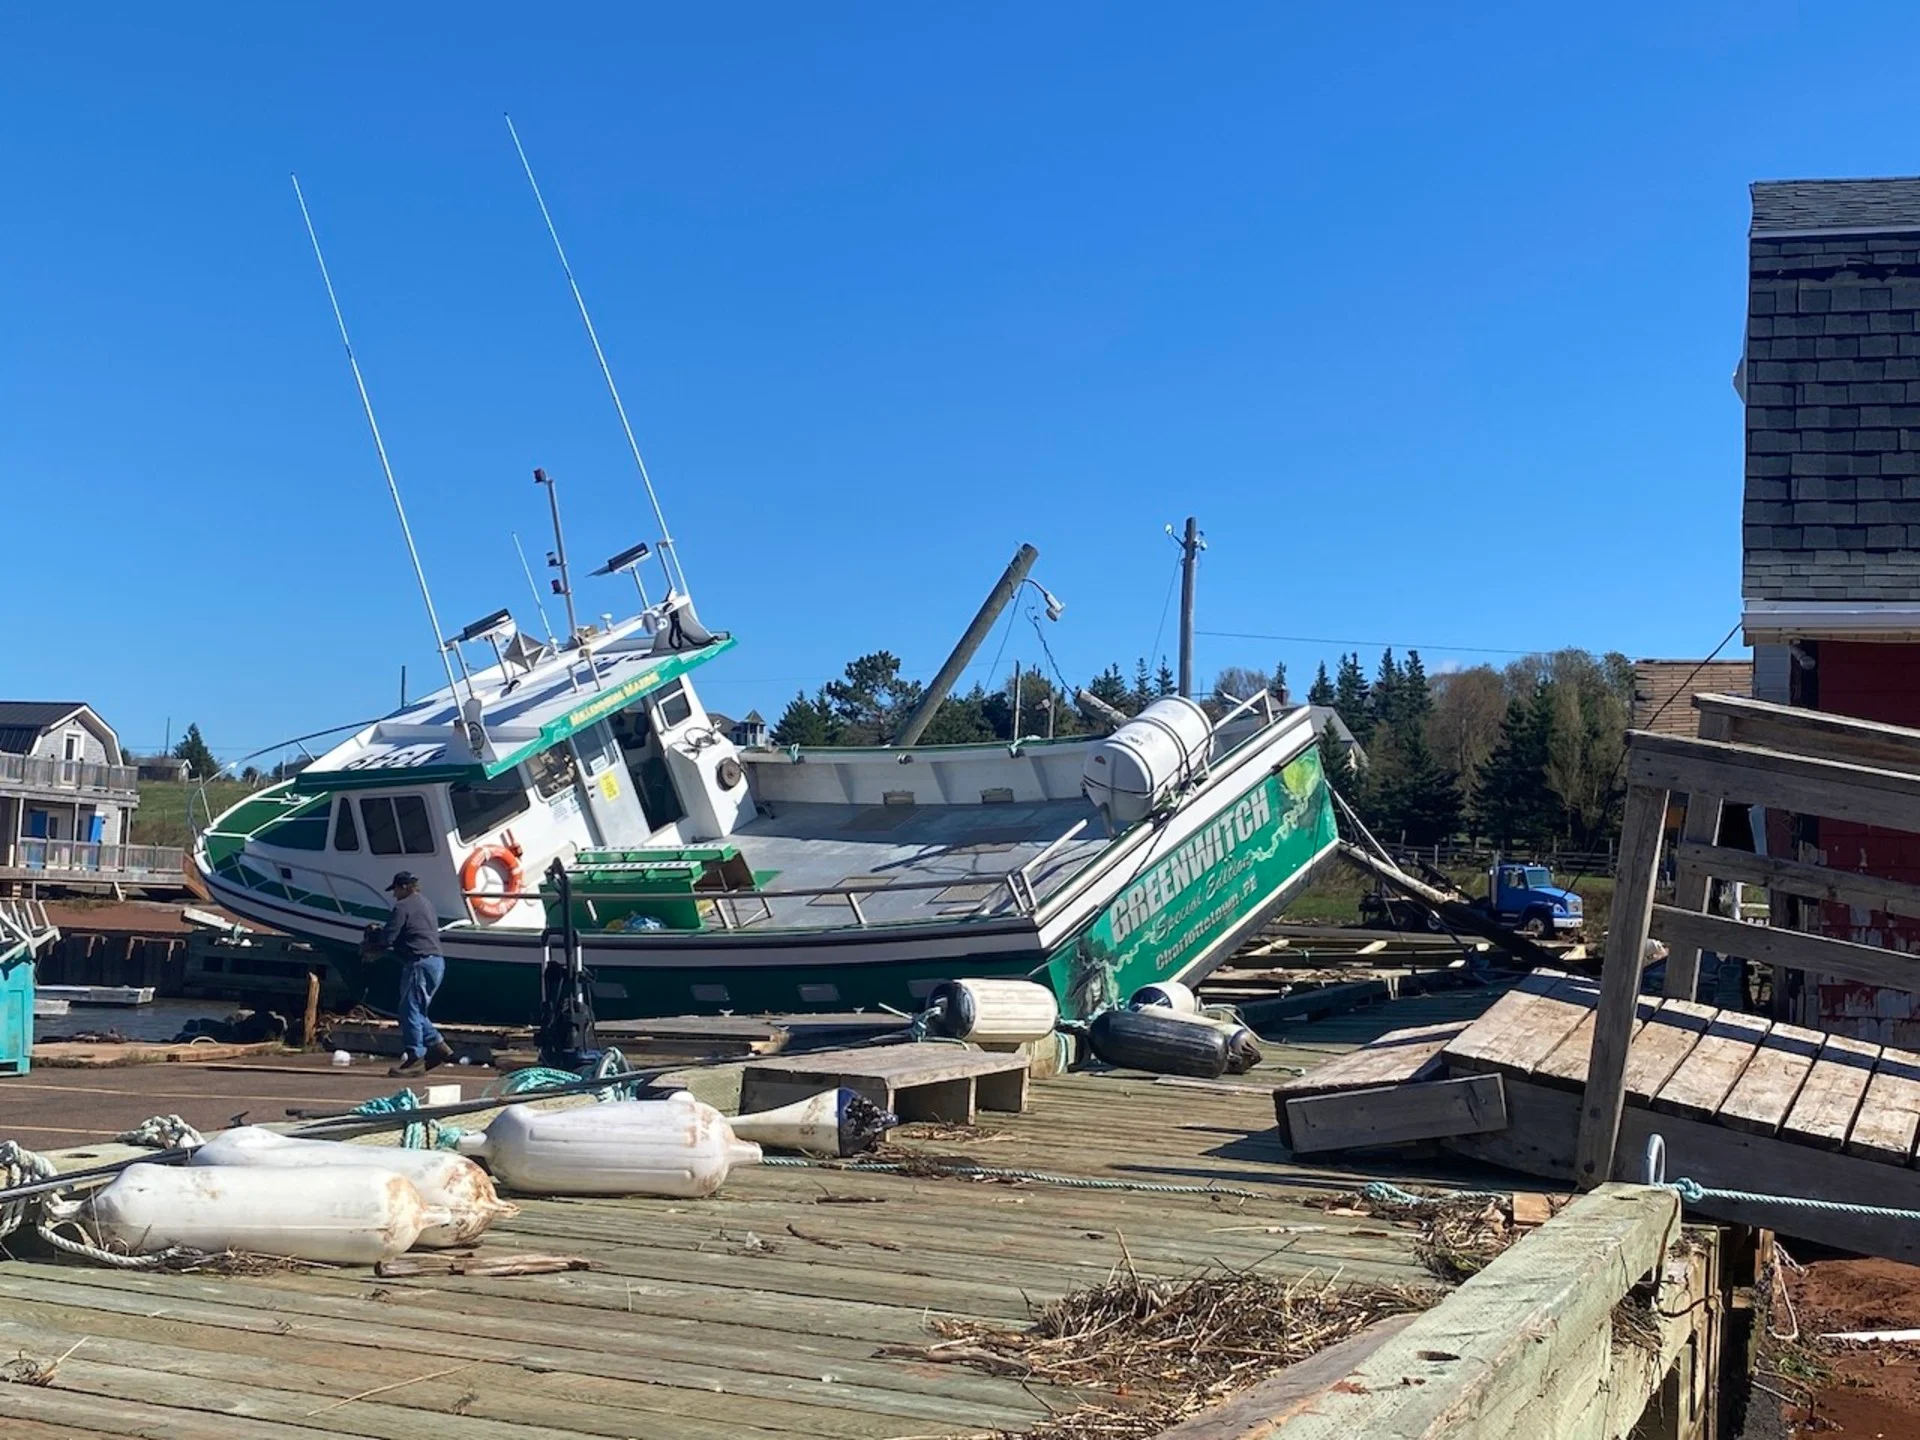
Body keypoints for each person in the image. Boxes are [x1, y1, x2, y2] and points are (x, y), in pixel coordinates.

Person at [363, 870, 454, 1077]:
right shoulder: (426, 904)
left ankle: (415, 1057)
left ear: (404, 887)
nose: (394, 894)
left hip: (419, 964)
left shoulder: (402, 907)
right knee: (417, 1010)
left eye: (395, 889)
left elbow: (389, 938)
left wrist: (374, 940)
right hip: (436, 962)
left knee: (409, 1011)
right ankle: (437, 1046)